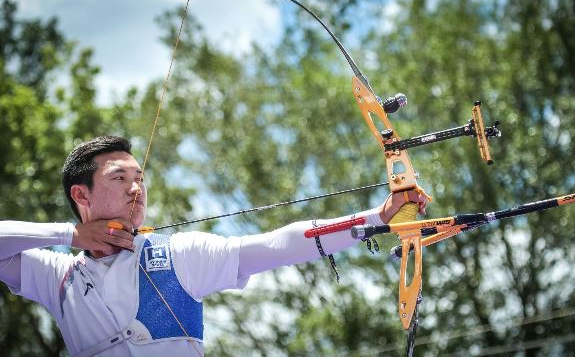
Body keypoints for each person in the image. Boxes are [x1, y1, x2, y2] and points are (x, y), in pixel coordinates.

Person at [0, 136, 427, 356]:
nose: (137, 190)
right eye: (119, 179)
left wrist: (377, 218)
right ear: (81, 195)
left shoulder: (177, 256)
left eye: (140, 179)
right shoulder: (59, 278)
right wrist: (69, 236)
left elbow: (277, 245)